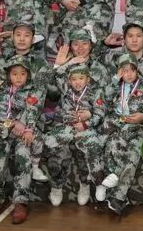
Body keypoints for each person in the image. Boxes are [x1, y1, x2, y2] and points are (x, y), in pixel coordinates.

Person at [0, 56, 47, 225]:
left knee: (23, 153)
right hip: (3, 131)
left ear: (28, 75)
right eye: (14, 74)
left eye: (23, 73)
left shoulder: (33, 89)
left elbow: (33, 110)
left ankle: (21, 202)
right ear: (8, 75)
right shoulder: (2, 88)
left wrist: (27, 128)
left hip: (24, 132)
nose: (19, 77)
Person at [100, 53, 143, 215]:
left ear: (137, 71)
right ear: (120, 71)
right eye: (125, 71)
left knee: (133, 155)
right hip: (118, 126)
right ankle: (118, 196)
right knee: (113, 145)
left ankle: (118, 195)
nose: (129, 74)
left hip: (139, 128)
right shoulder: (115, 85)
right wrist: (114, 80)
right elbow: (104, 100)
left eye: (132, 70)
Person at [44, 64, 106, 207]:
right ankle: (56, 186)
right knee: (50, 146)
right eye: (74, 79)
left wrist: (86, 123)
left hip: (84, 128)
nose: (77, 82)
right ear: (69, 80)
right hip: (65, 128)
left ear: (88, 79)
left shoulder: (95, 92)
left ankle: (86, 184)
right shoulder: (65, 90)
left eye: (81, 78)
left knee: (92, 148)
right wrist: (62, 64)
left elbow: (100, 113)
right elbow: (56, 76)